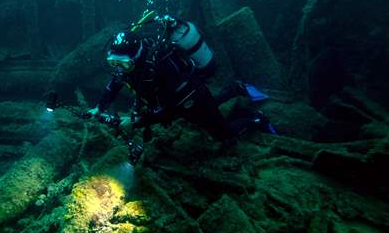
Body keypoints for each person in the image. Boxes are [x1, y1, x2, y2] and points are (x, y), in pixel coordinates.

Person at [88, 11, 276, 142]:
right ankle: (236, 88)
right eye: (113, 63)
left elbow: (168, 110)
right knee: (195, 115)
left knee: (223, 134)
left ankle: (257, 118)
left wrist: (135, 122)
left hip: (191, 95)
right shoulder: (131, 66)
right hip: (178, 99)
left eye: (123, 63)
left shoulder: (162, 67)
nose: (119, 68)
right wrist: (99, 106)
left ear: (136, 56)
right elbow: (115, 82)